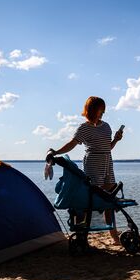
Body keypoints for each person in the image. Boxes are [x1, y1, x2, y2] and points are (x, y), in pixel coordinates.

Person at [49, 96, 123, 244]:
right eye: (100, 109)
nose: (102, 112)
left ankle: (114, 237)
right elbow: (72, 143)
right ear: (92, 110)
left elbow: (107, 147)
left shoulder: (106, 126)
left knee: (108, 198)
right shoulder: (84, 128)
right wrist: (56, 152)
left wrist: (116, 139)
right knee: (88, 200)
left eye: (103, 110)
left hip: (107, 163)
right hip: (92, 164)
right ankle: (82, 234)